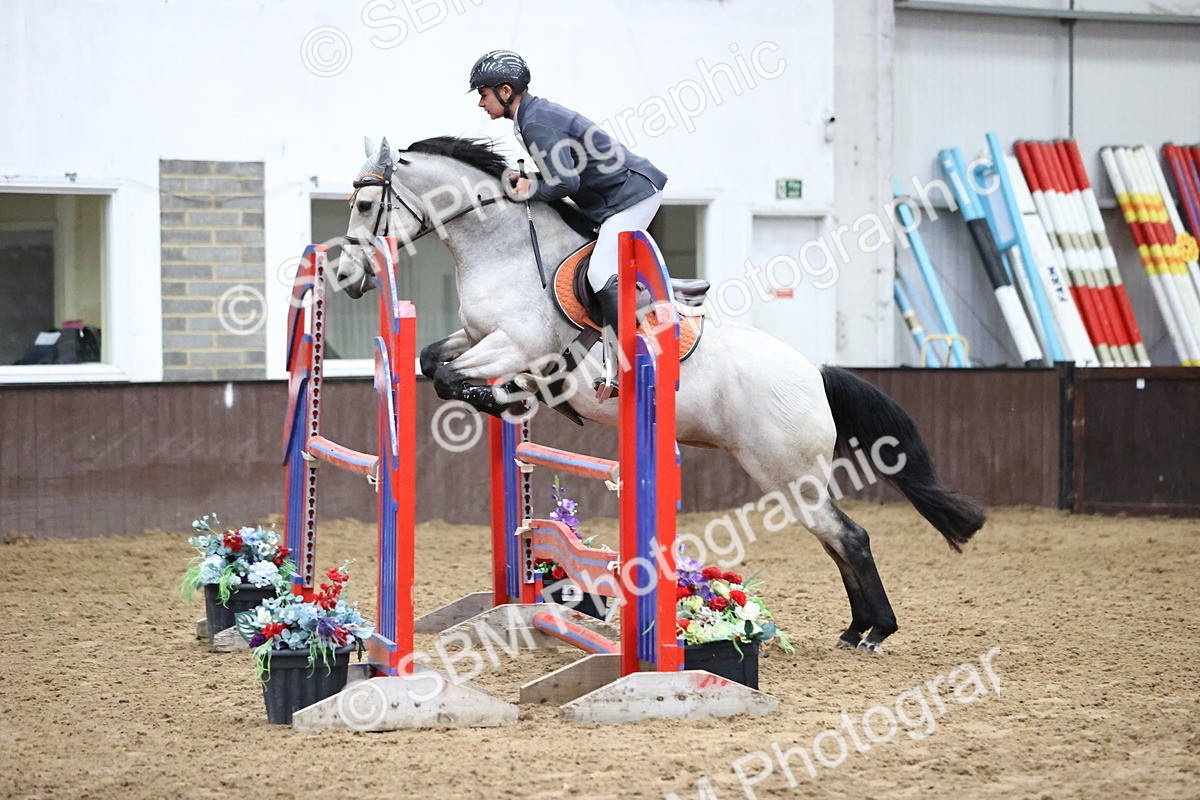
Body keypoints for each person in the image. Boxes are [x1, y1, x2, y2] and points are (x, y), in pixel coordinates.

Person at [469, 48, 667, 399]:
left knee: (599, 271)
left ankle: (626, 367)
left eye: (484, 95)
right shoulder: (532, 116)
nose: (481, 104)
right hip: (608, 201)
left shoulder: (535, 122)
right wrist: (531, 180)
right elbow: (561, 174)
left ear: (504, 90)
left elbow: (566, 184)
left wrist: (533, 188)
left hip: (631, 197)